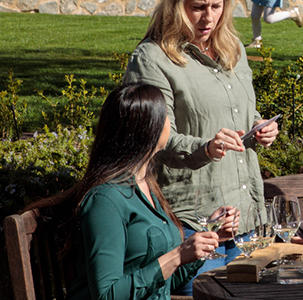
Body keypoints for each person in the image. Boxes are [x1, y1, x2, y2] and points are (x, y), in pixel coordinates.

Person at [123, 0, 280, 295]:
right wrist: (205, 147)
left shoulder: (233, 48)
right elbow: (153, 140)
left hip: (247, 221)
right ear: (176, 4)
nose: (209, 17)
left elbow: (238, 116)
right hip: (194, 228)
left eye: (217, 5)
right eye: (198, 7)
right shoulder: (152, 59)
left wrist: (259, 127)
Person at [58, 83, 236, 300]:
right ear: (149, 128)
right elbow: (106, 295)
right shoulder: (105, 200)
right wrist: (177, 255)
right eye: (166, 116)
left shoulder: (145, 185)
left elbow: (166, 283)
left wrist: (207, 239)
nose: (169, 123)